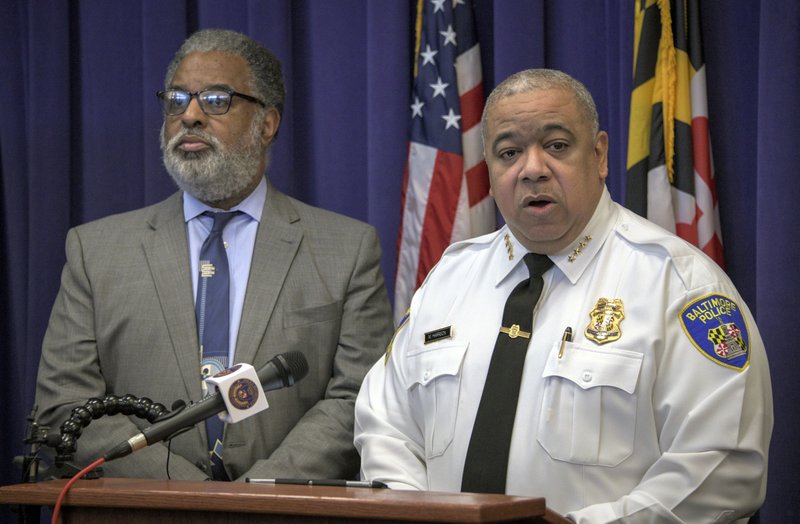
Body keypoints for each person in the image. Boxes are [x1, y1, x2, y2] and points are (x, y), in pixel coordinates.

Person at [354, 69, 772, 522]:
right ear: (490, 172)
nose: (532, 169)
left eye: (556, 146)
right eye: (509, 152)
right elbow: (386, 424)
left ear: (600, 154)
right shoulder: (448, 279)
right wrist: (413, 514)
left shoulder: (681, 285)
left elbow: (722, 468)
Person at [34, 28, 394, 482]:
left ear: (267, 124)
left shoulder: (347, 249)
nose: (190, 116)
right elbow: (66, 404)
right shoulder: (95, 251)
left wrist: (255, 497)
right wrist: (190, 495)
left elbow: (358, 396)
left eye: (216, 100)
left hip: (283, 513)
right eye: (177, 100)